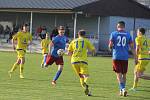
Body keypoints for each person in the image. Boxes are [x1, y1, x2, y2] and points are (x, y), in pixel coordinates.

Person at [108, 21, 134, 97]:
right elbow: (132, 47)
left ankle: (122, 89)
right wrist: (135, 57)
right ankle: (122, 90)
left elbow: (110, 45)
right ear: (124, 26)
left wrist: (111, 48)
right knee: (124, 74)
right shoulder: (128, 35)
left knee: (118, 74)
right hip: (125, 57)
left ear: (117, 26)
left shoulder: (113, 34)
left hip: (116, 56)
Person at [68, 30, 95, 96]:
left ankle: (87, 91)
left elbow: (69, 53)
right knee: (86, 75)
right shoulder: (86, 41)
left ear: (78, 34)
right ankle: (85, 83)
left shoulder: (73, 41)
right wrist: (92, 53)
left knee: (81, 76)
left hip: (74, 61)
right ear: (84, 35)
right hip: (83, 61)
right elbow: (93, 50)